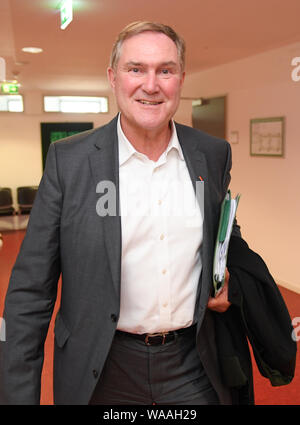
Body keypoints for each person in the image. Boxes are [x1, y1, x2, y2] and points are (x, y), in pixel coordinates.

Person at [0, 21, 295, 406]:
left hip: (194, 363)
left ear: (181, 80)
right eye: (136, 69)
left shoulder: (212, 153)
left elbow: (226, 239)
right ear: (113, 77)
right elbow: (30, 294)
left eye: (165, 70)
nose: (151, 85)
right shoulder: (69, 162)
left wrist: (230, 285)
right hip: (103, 366)